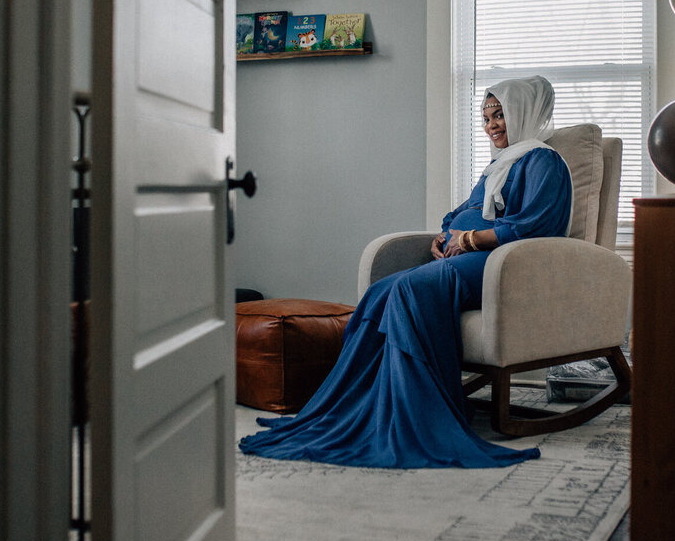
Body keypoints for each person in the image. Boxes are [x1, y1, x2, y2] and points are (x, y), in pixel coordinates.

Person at [239, 75, 573, 468]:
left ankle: (420, 415)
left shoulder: (542, 161)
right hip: (463, 256)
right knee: (382, 291)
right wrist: (444, 234)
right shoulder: (501, 164)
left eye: (499, 115)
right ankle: (359, 407)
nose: (491, 125)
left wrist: (468, 241)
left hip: (505, 264)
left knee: (412, 291)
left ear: (523, 112)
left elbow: (533, 226)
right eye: (486, 117)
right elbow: (464, 210)